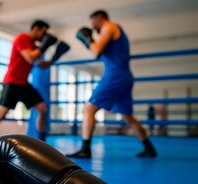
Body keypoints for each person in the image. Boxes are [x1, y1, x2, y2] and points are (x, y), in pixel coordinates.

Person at [66, 10, 157, 158]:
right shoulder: (112, 31)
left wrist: (88, 40)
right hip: (123, 76)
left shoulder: (109, 27)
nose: (92, 26)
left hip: (115, 76)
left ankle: (85, 149)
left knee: (88, 109)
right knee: (128, 117)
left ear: (99, 18)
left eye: (93, 22)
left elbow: (95, 52)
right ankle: (149, 148)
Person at [0, 20, 69, 146]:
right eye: (43, 32)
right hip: (12, 81)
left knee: (43, 109)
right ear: (36, 28)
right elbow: (30, 57)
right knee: (1, 113)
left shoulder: (35, 47)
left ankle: (42, 143)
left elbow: (43, 65)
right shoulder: (21, 38)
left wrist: (56, 55)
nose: (44, 35)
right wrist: (45, 46)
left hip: (24, 83)